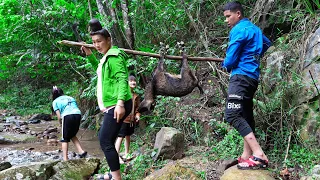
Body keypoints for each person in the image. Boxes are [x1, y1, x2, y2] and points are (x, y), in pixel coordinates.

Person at [221, 1, 271, 170]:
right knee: (246, 114)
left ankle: (258, 154)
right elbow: (266, 44)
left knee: (232, 114)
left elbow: (230, 59)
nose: (227, 20)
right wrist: (251, 56)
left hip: (240, 77)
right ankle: (246, 155)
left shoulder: (238, 30)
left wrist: (226, 63)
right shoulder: (255, 29)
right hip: (252, 78)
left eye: (228, 16)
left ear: (238, 14)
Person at [81, 19, 132, 180]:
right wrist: (90, 56)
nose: (96, 45)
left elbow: (122, 79)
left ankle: (116, 177)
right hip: (114, 104)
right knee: (108, 140)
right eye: (94, 42)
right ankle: (113, 174)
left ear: (108, 40)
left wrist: (120, 104)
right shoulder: (106, 58)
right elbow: (100, 73)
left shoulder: (114, 57)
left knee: (104, 141)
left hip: (117, 104)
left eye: (99, 41)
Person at [52, 86, 87, 161]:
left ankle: (65, 158)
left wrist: (61, 124)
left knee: (64, 138)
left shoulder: (55, 101)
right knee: (72, 135)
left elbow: (59, 116)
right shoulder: (70, 97)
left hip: (67, 115)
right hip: (78, 114)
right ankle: (81, 151)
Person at [115, 75, 141, 163]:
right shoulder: (124, 94)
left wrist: (137, 115)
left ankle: (126, 153)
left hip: (131, 120)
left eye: (134, 81)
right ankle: (116, 156)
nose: (133, 82)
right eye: (131, 81)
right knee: (120, 136)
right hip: (123, 119)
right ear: (127, 82)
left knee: (128, 136)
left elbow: (137, 108)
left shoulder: (136, 96)